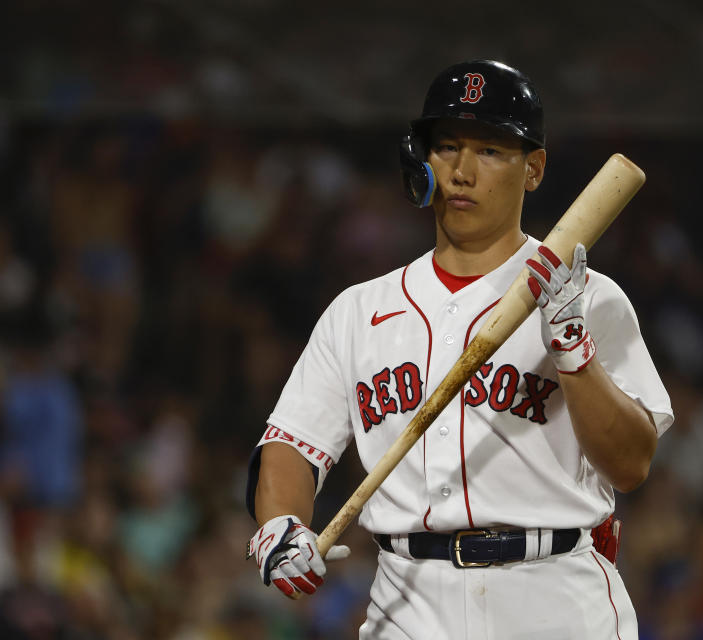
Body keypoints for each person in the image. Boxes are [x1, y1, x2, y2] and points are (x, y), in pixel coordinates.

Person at [245, 59, 673, 639]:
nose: (462, 171)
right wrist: (281, 524)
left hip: (553, 598)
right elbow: (292, 446)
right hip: (409, 603)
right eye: (446, 147)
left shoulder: (585, 297)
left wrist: (573, 348)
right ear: (419, 160)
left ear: (534, 169)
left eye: (492, 150)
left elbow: (631, 464)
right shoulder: (359, 311)